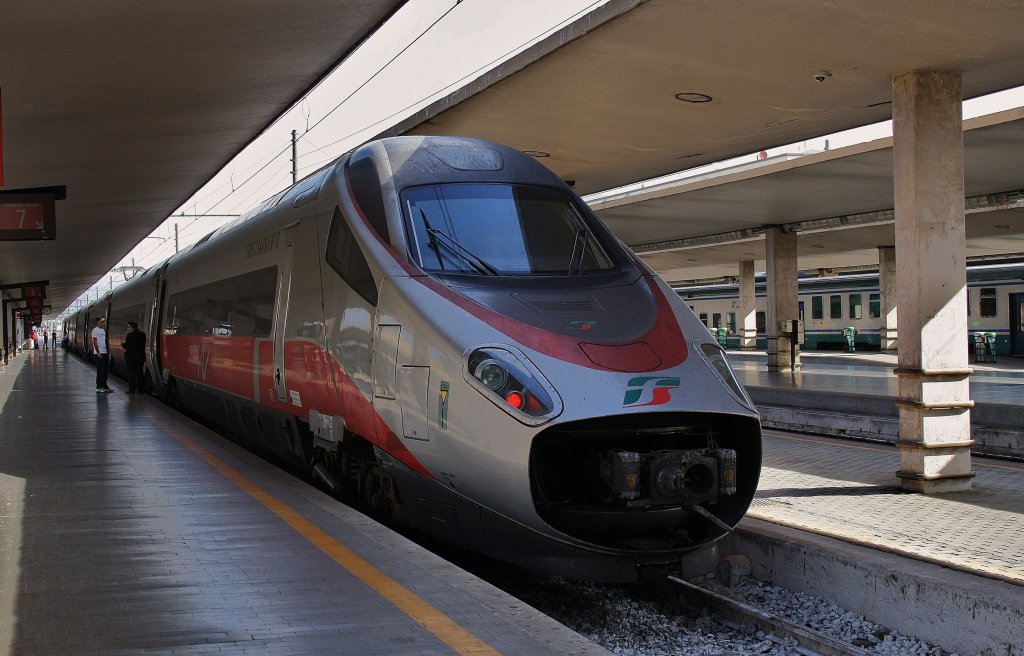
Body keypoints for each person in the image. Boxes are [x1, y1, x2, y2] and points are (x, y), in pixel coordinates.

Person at [122, 321, 146, 394]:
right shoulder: (143, 334)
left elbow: (127, 345)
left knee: (131, 374)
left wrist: (122, 344)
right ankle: (141, 389)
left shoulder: (130, 335)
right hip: (140, 357)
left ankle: (132, 389)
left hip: (131, 358)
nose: (128, 328)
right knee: (140, 373)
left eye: (129, 327)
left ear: (132, 327)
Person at [91, 317, 112, 393]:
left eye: (104, 321)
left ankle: (105, 386)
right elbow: (94, 342)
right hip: (99, 353)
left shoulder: (103, 330)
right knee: (100, 370)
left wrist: (107, 352)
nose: (103, 323)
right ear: (98, 322)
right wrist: (98, 352)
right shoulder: (95, 330)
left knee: (105, 370)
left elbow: (104, 342)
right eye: (102, 321)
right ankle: (99, 387)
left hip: (104, 352)